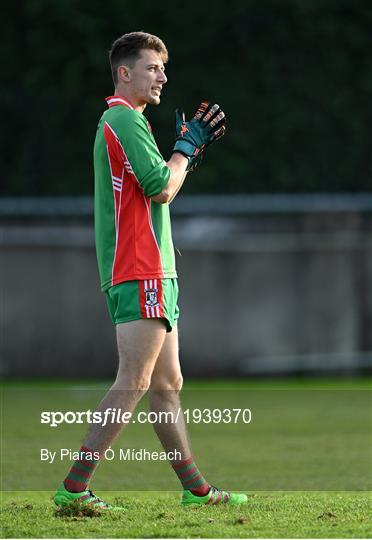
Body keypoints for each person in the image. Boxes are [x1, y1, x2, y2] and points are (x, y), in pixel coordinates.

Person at [54, 31, 247, 509]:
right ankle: (74, 488)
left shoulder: (129, 120)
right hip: (140, 270)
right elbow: (162, 185)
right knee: (136, 382)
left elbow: (151, 189)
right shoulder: (120, 116)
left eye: (163, 68)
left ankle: (196, 491)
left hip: (154, 271)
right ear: (125, 72)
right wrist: (186, 148)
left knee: (166, 385)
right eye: (152, 67)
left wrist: (184, 150)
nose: (162, 76)